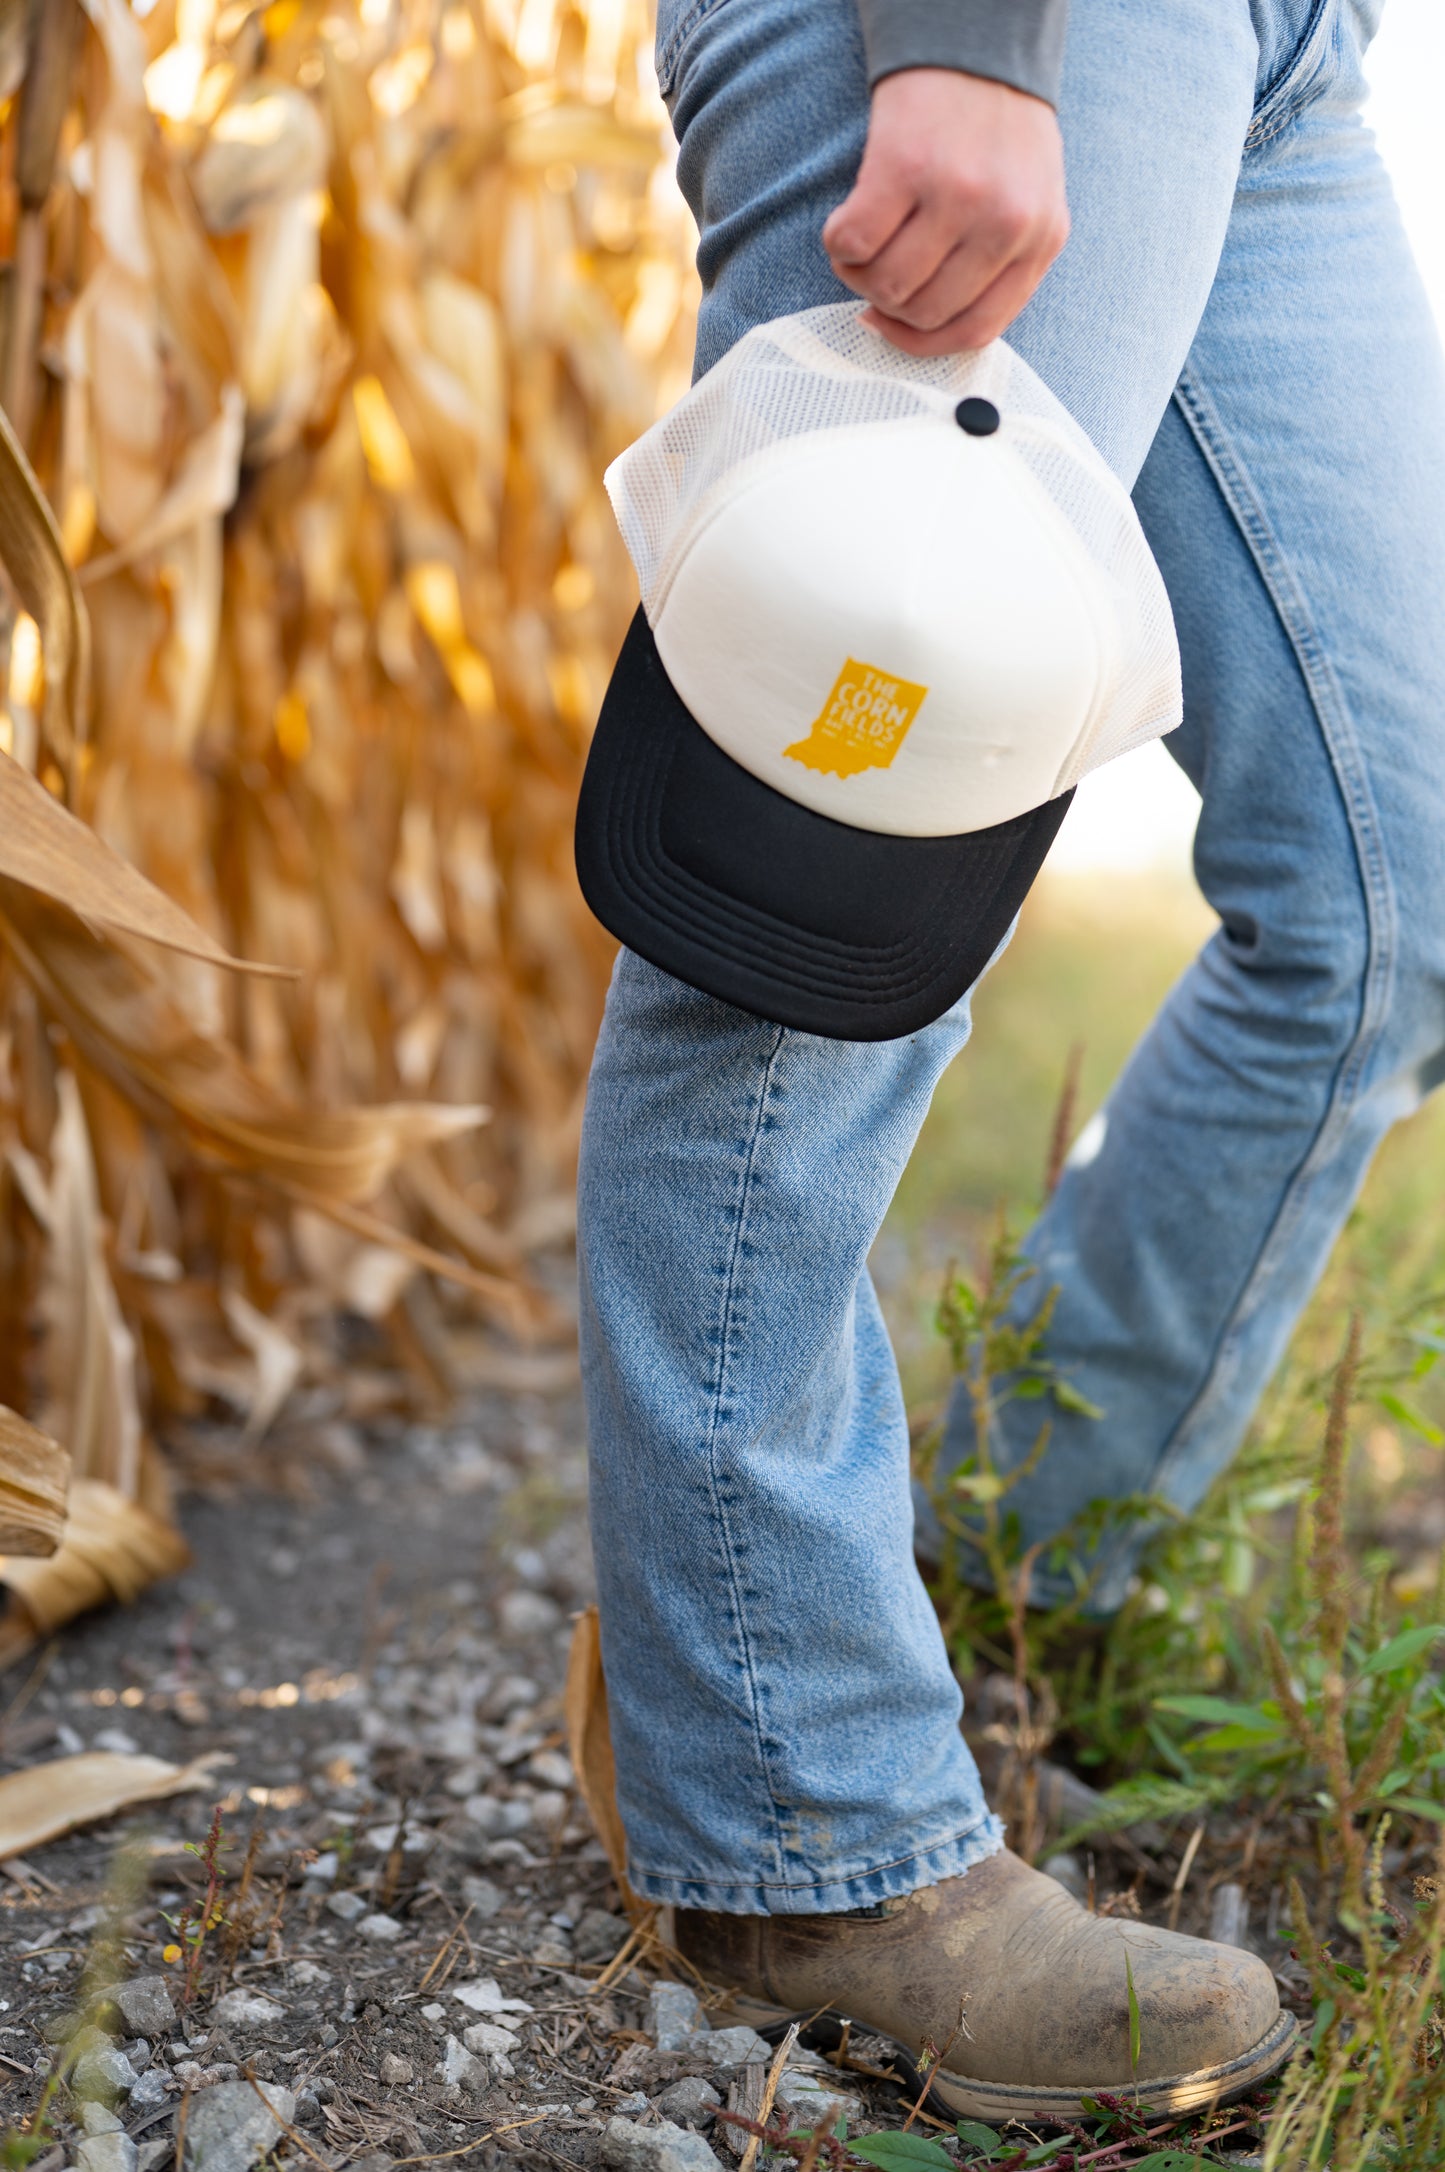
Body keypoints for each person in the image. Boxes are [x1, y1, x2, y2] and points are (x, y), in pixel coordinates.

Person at [575, 0, 1445, 2120]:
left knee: (1388, 898)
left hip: (1278, 46)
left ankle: (939, 1572)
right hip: (1018, 26)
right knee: (810, 929)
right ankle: (803, 1822)